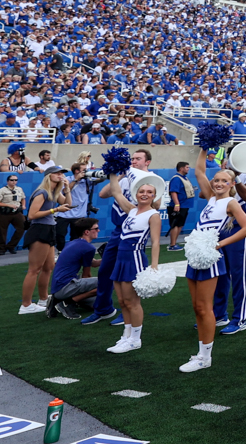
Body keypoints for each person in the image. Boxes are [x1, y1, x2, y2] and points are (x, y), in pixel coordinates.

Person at [183, 148, 246, 372]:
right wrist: (205, 147)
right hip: (196, 254)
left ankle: (205, 356)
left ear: (232, 184)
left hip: (210, 256)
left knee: (204, 308)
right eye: (216, 180)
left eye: (224, 180)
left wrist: (220, 244)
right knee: (197, 306)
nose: (218, 183)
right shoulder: (212, 198)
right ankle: (201, 353)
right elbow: (198, 171)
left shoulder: (231, 203)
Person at [86, 149, 151, 326]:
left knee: (128, 274)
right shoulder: (124, 177)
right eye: (132, 159)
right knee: (105, 269)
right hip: (117, 230)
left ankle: (127, 311)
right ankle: (103, 309)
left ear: (147, 162)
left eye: (138, 159)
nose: (134, 161)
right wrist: (120, 174)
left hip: (134, 232)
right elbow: (103, 194)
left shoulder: (151, 180)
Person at [104, 169, 164, 354]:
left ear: (154, 196)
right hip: (120, 257)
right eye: (142, 191)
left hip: (135, 257)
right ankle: (126, 335)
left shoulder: (153, 215)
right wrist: (113, 171)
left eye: (149, 192)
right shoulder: (131, 209)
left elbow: (155, 243)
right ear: (136, 193)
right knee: (122, 301)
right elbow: (115, 191)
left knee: (132, 301)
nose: (145, 194)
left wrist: (154, 266)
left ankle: (135, 339)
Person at [214, 158, 246, 335]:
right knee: (220, 274)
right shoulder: (222, 175)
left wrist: (236, 178)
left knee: (238, 274)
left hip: (237, 228)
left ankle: (240, 318)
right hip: (220, 227)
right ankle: (219, 314)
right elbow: (205, 194)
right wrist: (221, 178)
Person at [17, 169, 71, 314]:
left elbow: (67, 205)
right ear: (49, 176)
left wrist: (67, 190)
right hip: (39, 230)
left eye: (62, 173)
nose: (60, 176)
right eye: (57, 173)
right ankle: (26, 305)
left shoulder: (54, 192)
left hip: (49, 229)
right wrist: (54, 211)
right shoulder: (42, 192)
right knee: (34, 269)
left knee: (48, 267)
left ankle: (43, 299)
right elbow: (32, 215)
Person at [42, 219, 102, 319]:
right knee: (109, 282)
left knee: (95, 304)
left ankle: (58, 300)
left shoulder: (72, 243)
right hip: (66, 287)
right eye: (96, 228)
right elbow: (86, 275)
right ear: (87, 232)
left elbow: (94, 263)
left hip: (58, 287)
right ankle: (69, 302)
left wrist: (109, 259)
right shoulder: (88, 248)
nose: (98, 230)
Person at [0, 174, 26, 255]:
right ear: (8, 181)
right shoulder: (2, 190)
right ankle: (1, 249)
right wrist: (8, 205)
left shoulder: (19, 189)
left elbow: (23, 198)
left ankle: (11, 246)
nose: (14, 182)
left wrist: (23, 205)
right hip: (4, 213)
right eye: (12, 180)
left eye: (16, 180)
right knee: (2, 231)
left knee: (22, 227)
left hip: (16, 212)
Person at [166, 162, 193, 250]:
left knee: (180, 225)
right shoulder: (176, 179)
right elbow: (173, 192)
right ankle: (172, 245)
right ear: (181, 168)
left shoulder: (184, 178)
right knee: (175, 225)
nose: (188, 169)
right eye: (187, 167)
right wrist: (177, 204)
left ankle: (174, 243)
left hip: (184, 205)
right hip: (179, 206)